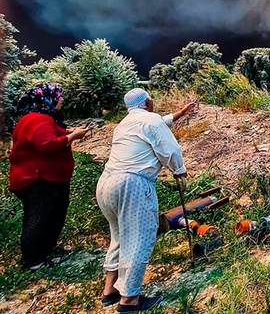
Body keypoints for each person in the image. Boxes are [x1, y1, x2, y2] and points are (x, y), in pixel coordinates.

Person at [96, 88, 196, 312]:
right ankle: (129, 300)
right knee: (139, 237)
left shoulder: (124, 123)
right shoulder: (151, 119)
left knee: (119, 236)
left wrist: (180, 112)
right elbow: (169, 149)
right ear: (148, 102)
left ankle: (110, 291)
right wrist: (179, 170)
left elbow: (159, 123)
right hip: (132, 185)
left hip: (106, 184)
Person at [8, 83, 90, 270]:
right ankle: (33, 261)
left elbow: (47, 137)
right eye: (58, 96)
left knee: (54, 214)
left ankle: (47, 248)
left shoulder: (39, 118)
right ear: (46, 99)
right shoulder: (38, 120)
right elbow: (47, 144)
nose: (61, 99)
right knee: (39, 218)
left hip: (49, 178)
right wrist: (73, 137)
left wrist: (66, 132)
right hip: (38, 180)